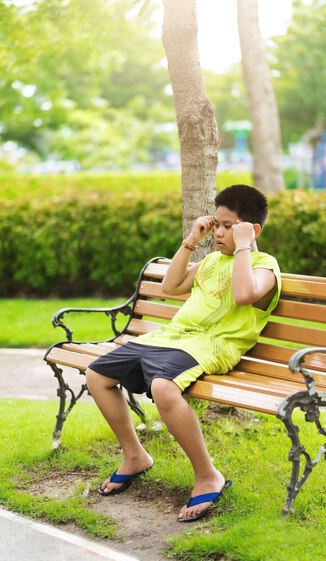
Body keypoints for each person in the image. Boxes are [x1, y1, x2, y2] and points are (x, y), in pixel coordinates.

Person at [86, 184, 281, 523]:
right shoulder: (209, 262)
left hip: (212, 345)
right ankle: (134, 457)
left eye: (227, 226)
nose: (218, 232)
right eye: (216, 224)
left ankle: (208, 475)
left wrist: (245, 248)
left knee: (163, 387)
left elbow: (244, 294)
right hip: (173, 338)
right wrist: (191, 239)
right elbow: (170, 287)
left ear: (251, 229)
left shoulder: (264, 266)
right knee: (97, 374)